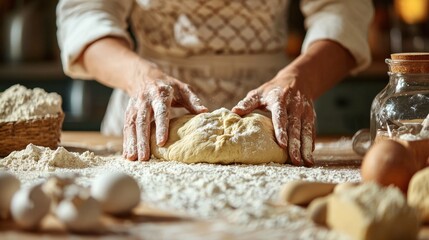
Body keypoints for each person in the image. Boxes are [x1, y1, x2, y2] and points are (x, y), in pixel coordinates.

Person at [56, 0, 374, 166]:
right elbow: (84, 12)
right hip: (154, 110)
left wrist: (299, 80)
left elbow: (343, 10)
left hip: (273, 108)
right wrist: (141, 78)